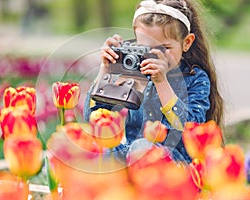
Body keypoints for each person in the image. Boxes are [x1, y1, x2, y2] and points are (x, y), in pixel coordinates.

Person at [84, 0, 223, 163]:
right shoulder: (135, 72)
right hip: (133, 157)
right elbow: (93, 117)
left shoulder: (195, 78)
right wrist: (105, 69)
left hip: (175, 165)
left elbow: (190, 128)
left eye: (164, 48)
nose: (155, 56)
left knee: (142, 148)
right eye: (145, 49)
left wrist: (161, 81)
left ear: (187, 42)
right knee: (93, 149)